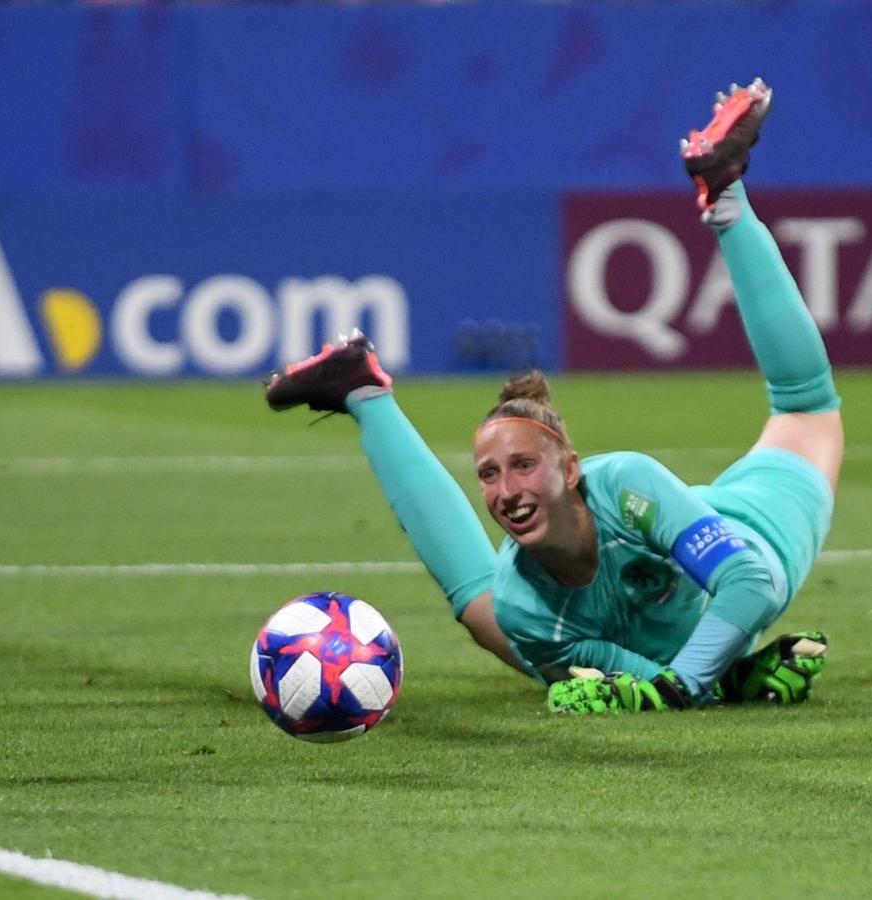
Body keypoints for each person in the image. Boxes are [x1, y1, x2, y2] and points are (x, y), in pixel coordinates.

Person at [263, 78, 836, 714]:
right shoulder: (521, 601)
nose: (505, 492)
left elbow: (747, 586)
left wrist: (683, 687)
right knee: (491, 614)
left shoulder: (624, 483)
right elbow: (645, 677)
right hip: (649, 592)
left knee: (805, 406)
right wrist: (716, 684)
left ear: (570, 467)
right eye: (488, 474)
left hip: (749, 530)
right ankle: (363, 392)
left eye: (522, 465)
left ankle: (726, 194)